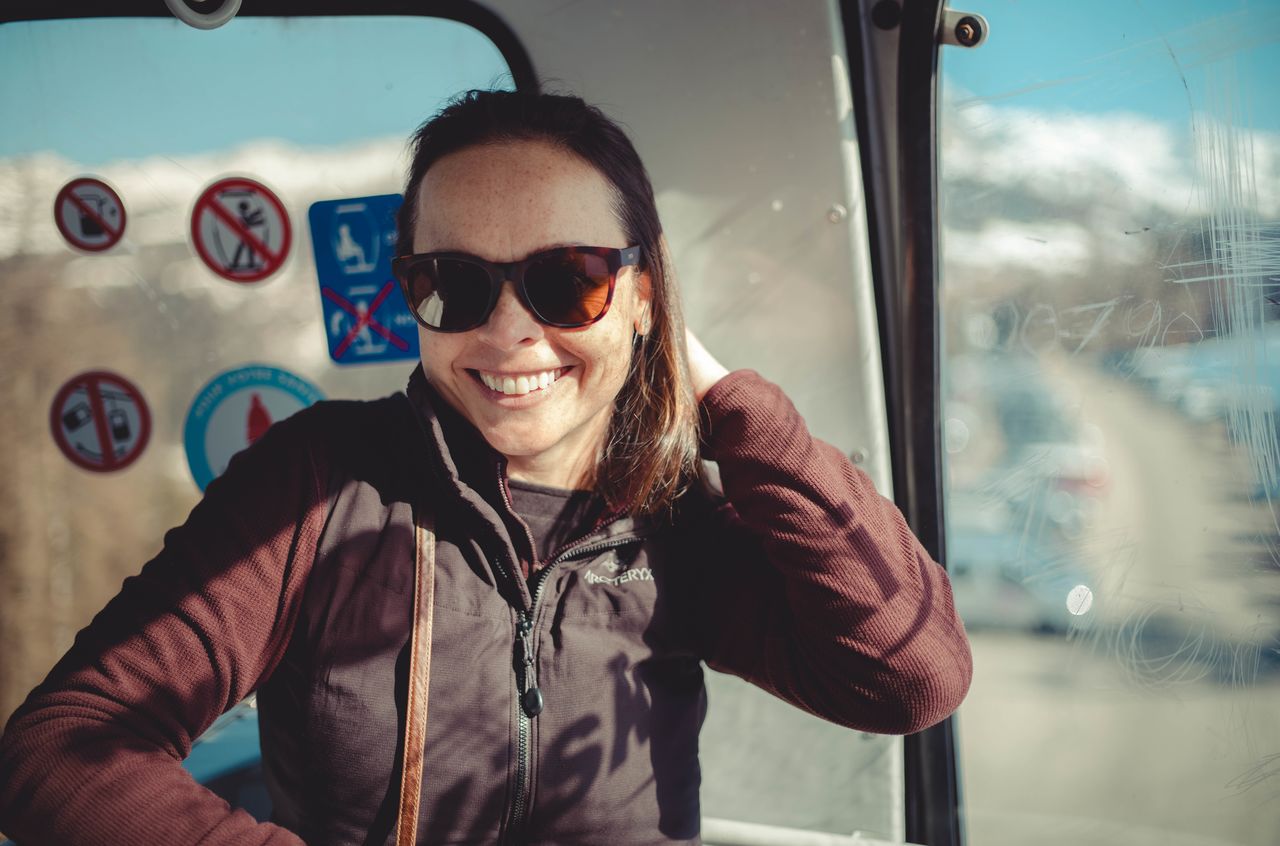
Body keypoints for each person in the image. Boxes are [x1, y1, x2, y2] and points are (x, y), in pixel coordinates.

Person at [0, 89, 972, 845]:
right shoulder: (319, 485)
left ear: (643, 294)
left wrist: (725, 402)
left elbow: (907, 679)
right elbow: (64, 746)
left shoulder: (674, 519)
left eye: (567, 280)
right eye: (453, 284)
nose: (509, 332)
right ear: (409, 293)